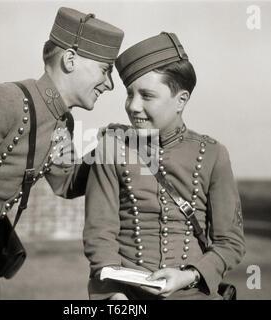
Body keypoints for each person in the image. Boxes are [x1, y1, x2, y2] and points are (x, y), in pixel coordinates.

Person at [0, 7, 124, 300]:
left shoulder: (62, 121)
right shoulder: (4, 103)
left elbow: (66, 184)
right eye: (105, 70)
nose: (110, 84)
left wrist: (106, 151)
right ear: (69, 60)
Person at [83, 32, 246, 300]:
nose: (133, 106)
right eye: (129, 94)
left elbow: (231, 242)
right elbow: (99, 234)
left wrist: (189, 275)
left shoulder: (214, 154)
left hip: (193, 292)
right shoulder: (111, 148)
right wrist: (113, 295)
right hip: (124, 296)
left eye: (147, 95)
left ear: (181, 100)